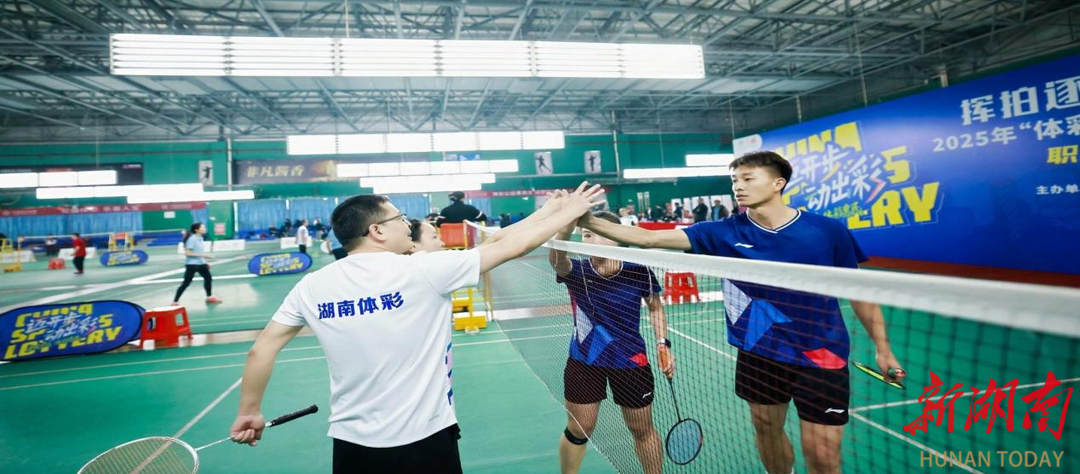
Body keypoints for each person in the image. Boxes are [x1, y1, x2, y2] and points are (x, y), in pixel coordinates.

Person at [229, 183, 607, 474]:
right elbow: (513, 248)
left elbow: (261, 349)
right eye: (398, 218)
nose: (405, 224)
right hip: (425, 439)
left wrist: (249, 411)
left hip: (350, 444)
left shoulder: (311, 285)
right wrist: (570, 212)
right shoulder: (423, 270)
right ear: (377, 230)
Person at [578, 151, 905, 474]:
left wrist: (883, 348)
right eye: (734, 179)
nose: (738, 186)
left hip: (821, 354)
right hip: (758, 352)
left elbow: (859, 291)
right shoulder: (723, 232)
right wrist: (586, 219)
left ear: (778, 183)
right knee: (766, 428)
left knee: (822, 455)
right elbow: (647, 239)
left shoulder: (827, 230)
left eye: (748, 178)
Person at [551, 212, 673, 474]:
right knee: (579, 429)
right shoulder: (577, 271)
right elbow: (557, 260)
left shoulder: (638, 270)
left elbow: (655, 307)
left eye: (600, 233)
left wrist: (663, 343)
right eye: (586, 234)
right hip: (585, 360)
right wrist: (566, 227)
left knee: (641, 429)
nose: (591, 239)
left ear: (616, 238)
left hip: (630, 360)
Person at [174, 223, 221, 304]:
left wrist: (205, 262)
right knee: (186, 283)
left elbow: (199, 251)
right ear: (196, 230)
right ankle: (175, 301)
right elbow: (187, 253)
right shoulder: (192, 239)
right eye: (203, 227)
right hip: (192, 265)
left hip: (201, 264)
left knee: (208, 279)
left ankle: (209, 297)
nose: (205, 228)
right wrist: (203, 256)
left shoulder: (200, 238)